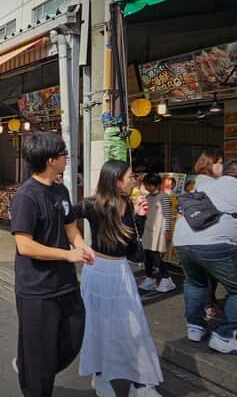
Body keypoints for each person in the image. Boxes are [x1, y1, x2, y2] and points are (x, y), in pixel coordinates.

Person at [9, 132, 94, 397]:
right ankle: (33, 376)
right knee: (41, 356)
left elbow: (71, 228)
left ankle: (29, 366)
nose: (66, 158)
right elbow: (25, 246)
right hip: (36, 288)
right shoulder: (26, 196)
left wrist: (81, 246)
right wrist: (67, 255)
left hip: (65, 283)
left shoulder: (61, 189)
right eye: (63, 154)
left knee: (73, 335)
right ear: (50, 160)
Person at [75, 161, 163, 397]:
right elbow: (65, 216)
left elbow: (134, 251)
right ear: (115, 180)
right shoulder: (92, 205)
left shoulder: (130, 205)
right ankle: (101, 375)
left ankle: (141, 382)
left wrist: (141, 218)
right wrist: (77, 245)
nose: (134, 180)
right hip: (97, 270)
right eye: (130, 177)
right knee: (98, 326)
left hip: (122, 272)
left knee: (133, 327)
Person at [173, 159, 237, 355]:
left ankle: (195, 327)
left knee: (195, 283)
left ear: (222, 173)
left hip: (182, 241)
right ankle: (223, 336)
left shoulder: (204, 187)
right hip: (217, 245)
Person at [190, 150, 224, 320]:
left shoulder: (200, 181)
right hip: (208, 233)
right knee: (209, 273)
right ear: (209, 164)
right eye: (219, 162)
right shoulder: (209, 184)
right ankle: (207, 306)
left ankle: (207, 304)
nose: (221, 166)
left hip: (200, 233)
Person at [139, 173, 177, 294]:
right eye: (145, 184)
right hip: (148, 230)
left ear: (156, 185)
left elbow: (167, 215)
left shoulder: (164, 197)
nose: (146, 187)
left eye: (149, 185)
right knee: (147, 255)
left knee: (158, 256)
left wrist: (168, 231)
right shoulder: (148, 197)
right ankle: (150, 278)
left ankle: (166, 278)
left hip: (160, 231)